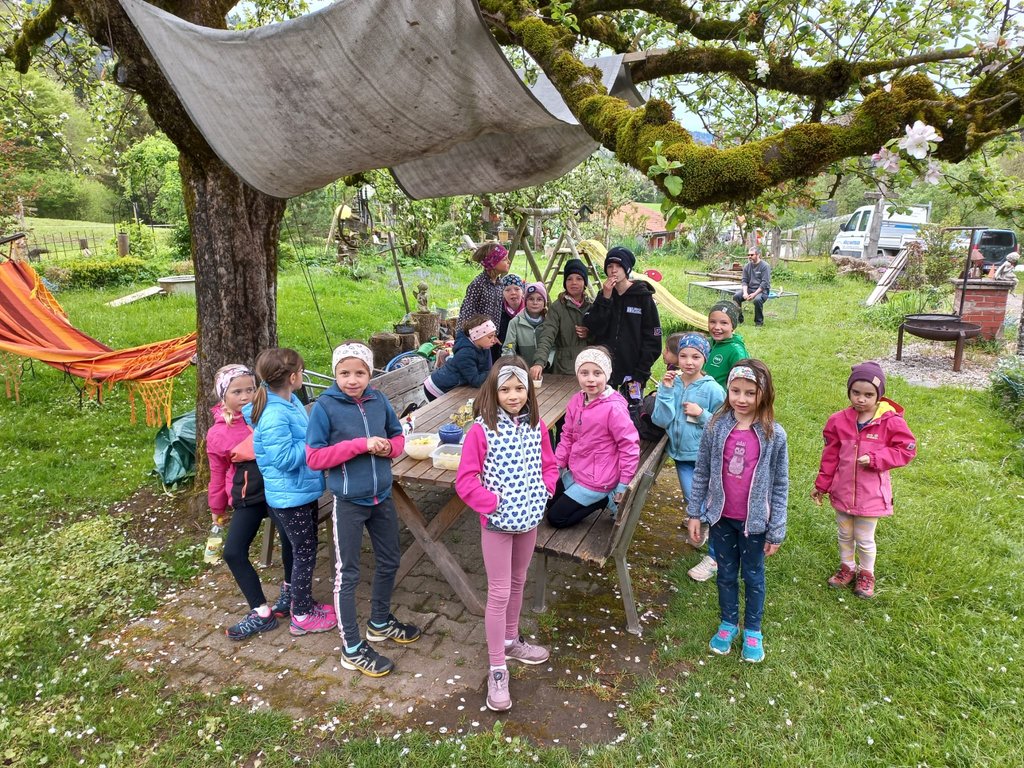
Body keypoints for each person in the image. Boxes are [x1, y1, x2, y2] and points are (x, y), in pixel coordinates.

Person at [306, 342, 422, 677]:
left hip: (381, 497)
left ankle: (380, 623)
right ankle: (352, 648)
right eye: (344, 373)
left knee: (390, 560)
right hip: (348, 502)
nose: (352, 379)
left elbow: (398, 437)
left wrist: (390, 448)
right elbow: (314, 457)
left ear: (370, 374)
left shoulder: (378, 400)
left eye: (360, 372)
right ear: (335, 373)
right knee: (348, 574)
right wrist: (360, 446)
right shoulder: (325, 407)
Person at [455, 357, 559, 712]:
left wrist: (545, 488)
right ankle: (497, 666)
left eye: (519, 388)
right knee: (499, 592)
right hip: (498, 524)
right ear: (493, 391)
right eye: (505, 389)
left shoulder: (537, 426)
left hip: (528, 520)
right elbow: (465, 480)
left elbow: (549, 464)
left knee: (519, 581)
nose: (513, 396)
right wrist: (492, 503)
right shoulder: (481, 431)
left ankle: (512, 641)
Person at [688, 359, 789, 664]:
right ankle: (728, 623)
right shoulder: (715, 427)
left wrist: (776, 529)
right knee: (726, 573)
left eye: (750, 392)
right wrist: (695, 513)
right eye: (735, 391)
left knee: (754, 577)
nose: (741, 399)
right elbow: (702, 471)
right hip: (721, 519)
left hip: (755, 524)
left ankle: (753, 630)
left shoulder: (775, 435)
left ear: (764, 394)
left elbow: (780, 484)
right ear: (728, 390)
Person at [245, 348, 335, 637]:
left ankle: (299, 601)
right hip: (289, 497)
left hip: (301, 491)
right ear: (294, 377)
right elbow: (284, 459)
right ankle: (302, 616)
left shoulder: (290, 401)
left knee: (306, 549)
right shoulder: (273, 414)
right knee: (304, 553)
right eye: (302, 372)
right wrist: (314, 445)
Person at [812, 361, 917, 599]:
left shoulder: (890, 421)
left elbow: (907, 449)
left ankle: (866, 573)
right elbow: (830, 457)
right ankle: (847, 567)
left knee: (864, 538)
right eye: (856, 393)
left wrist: (877, 458)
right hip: (842, 491)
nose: (861, 399)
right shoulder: (838, 421)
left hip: (871, 496)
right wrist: (822, 485)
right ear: (849, 391)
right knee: (844, 534)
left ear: (879, 395)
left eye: (868, 395)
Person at [206, 364, 294, 640]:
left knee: (290, 539)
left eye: (250, 389)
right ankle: (261, 612)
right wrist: (217, 507)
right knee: (233, 552)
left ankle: (291, 592)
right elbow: (217, 474)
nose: (245, 396)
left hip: (279, 491)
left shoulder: (267, 413)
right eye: (237, 392)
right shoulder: (217, 434)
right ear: (223, 396)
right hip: (248, 497)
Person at [650, 334, 726, 583]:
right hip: (682, 455)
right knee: (691, 497)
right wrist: (665, 391)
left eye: (695, 356)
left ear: (705, 358)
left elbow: (725, 424)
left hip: (707, 456)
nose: (689, 362)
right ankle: (701, 522)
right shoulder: (672, 383)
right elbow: (661, 420)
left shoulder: (713, 389)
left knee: (711, 500)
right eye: (683, 356)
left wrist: (702, 414)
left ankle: (714, 551)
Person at [547, 347, 640, 528]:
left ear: (607, 375)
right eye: (584, 373)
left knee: (555, 518)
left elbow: (629, 446)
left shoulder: (614, 408)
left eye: (597, 373)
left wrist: (623, 483)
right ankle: (586, 496)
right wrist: (557, 465)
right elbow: (567, 435)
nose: (590, 379)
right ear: (577, 375)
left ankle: (604, 500)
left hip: (599, 479)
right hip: (577, 470)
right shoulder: (577, 400)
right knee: (547, 502)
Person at [582, 246, 662, 396]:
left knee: (631, 408)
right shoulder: (604, 295)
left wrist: (641, 372)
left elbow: (653, 338)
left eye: (619, 266)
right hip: (605, 371)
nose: (614, 270)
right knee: (603, 407)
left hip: (633, 373)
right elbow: (594, 327)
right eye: (610, 266)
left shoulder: (642, 297)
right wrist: (606, 299)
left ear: (627, 269)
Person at [531, 258, 592, 379]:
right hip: (564, 368)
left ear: (585, 282)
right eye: (569, 279)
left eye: (579, 278)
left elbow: (604, 334)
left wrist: (590, 333)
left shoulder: (592, 306)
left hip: (589, 366)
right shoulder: (557, 307)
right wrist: (539, 362)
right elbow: (547, 336)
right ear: (565, 283)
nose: (574, 282)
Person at [423, 314, 500, 400]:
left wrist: (488, 351)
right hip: (436, 387)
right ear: (477, 336)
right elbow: (476, 381)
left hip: (453, 383)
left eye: (494, 336)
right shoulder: (465, 354)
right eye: (490, 337)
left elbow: (486, 369)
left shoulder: (482, 346)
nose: (493, 340)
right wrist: (495, 372)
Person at [460, 243, 511, 332]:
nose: (509, 261)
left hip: (491, 335)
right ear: (493, 263)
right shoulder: (478, 284)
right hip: (476, 335)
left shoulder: (499, 284)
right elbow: (467, 312)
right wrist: (466, 336)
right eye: (504, 259)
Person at [704, 302, 749, 389]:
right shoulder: (706, 343)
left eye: (724, 323)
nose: (717, 327)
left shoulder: (736, 351)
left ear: (733, 326)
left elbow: (743, 382)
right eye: (712, 322)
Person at [502, 282, 547, 365]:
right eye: (531, 299)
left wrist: (546, 363)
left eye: (539, 299)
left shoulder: (549, 321)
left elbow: (554, 347)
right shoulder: (515, 322)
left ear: (545, 302)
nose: (535, 303)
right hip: (524, 368)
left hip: (548, 367)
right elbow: (509, 346)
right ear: (525, 301)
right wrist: (509, 363)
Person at [733, 247, 771, 326]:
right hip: (750, 289)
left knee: (757, 300)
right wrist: (745, 293)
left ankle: (759, 323)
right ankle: (739, 319)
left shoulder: (765, 266)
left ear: (758, 255)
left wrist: (754, 294)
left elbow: (764, 283)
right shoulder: (747, 266)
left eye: (752, 255)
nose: (749, 256)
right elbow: (744, 281)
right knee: (736, 296)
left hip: (762, 291)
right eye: (748, 255)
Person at [495, 274, 526, 361]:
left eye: (517, 289)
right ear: (502, 293)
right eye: (507, 290)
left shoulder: (529, 311)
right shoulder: (498, 312)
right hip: (504, 354)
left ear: (523, 292)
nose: (513, 292)